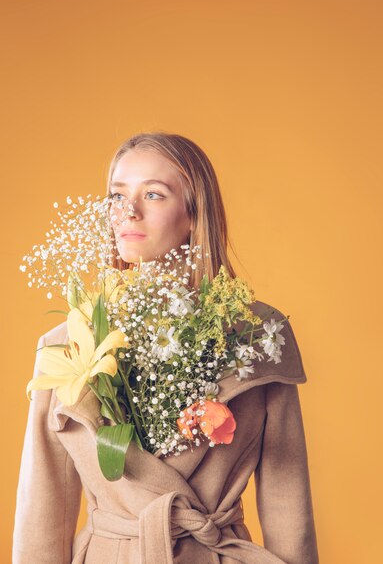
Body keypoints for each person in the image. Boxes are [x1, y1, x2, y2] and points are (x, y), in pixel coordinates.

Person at [13, 132, 320, 563]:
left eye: (154, 194)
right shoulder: (66, 347)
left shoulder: (257, 337)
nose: (129, 212)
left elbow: (290, 507)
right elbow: (42, 517)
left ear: (194, 215)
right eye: (117, 196)